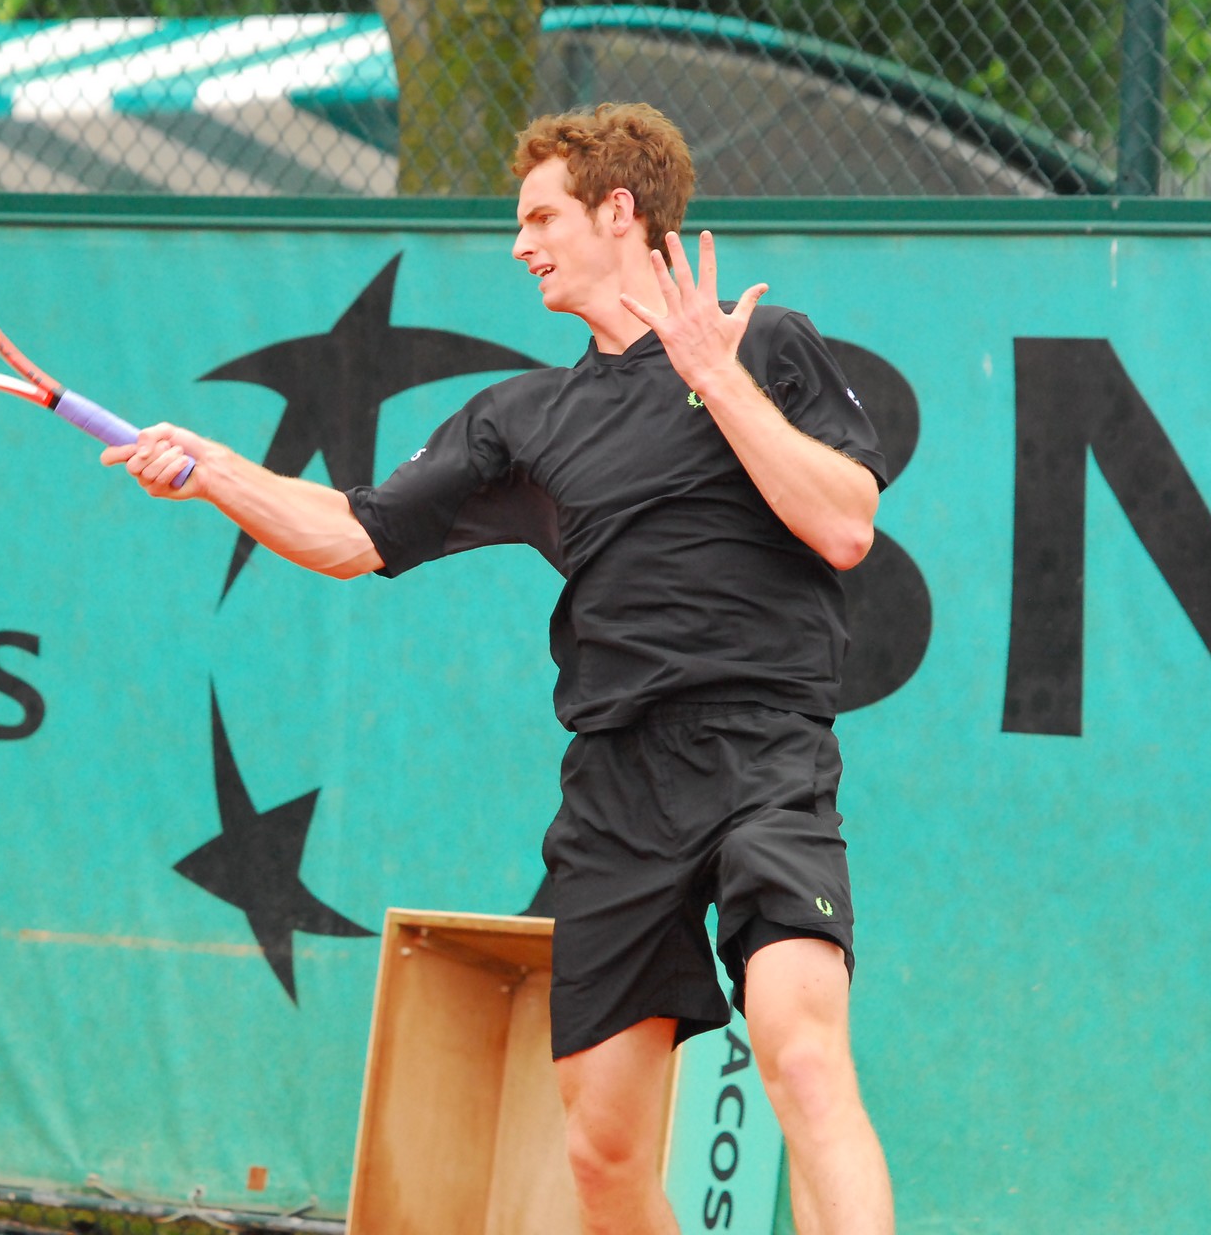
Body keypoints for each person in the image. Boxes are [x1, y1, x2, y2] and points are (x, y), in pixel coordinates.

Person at [102, 103, 893, 1235]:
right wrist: (219, 467)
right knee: (602, 1148)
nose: (520, 244)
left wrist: (713, 376)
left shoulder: (765, 347)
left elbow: (844, 527)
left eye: (539, 216)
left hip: (763, 754)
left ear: (618, 211)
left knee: (802, 1053)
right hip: (615, 787)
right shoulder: (520, 419)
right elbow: (350, 535)